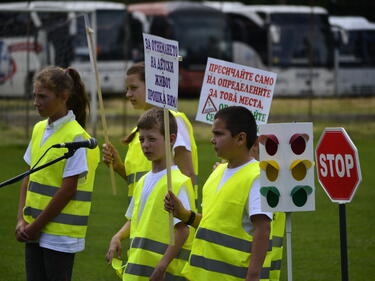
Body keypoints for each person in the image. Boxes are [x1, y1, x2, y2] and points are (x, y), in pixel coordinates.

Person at [165, 106, 272, 281]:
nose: (212, 140)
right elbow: (212, 224)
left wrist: (253, 275)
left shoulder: (256, 176)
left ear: (240, 138)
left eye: (219, 134)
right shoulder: (217, 172)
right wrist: (185, 215)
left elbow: (263, 228)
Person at [15, 66, 100, 281]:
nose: (36, 102)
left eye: (43, 96)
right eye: (35, 95)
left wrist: (36, 226)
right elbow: (28, 177)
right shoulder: (38, 129)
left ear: (63, 97)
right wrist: (21, 220)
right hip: (32, 227)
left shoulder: (76, 137)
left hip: (59, 234)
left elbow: (68, 189)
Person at [105, 107, 196, 281]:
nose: (145, 145)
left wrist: (162, 265)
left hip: (163, 273)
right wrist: (118, 236)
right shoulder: (143, 181)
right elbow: (135, 219)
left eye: (152, 139)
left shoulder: (177, 182)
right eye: (142, 139)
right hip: (138, 271)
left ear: (171, 139)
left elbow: (183, 231)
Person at [102, 62, 198, 202]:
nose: (128, 94)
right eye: (127, 89)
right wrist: (118, 167)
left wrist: (182, 215)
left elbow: (187, 173)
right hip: (143, 216)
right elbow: (140, 182)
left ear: (153, 86)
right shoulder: (140, 130)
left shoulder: (172, 120)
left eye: (134, 88)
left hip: (166, 217)